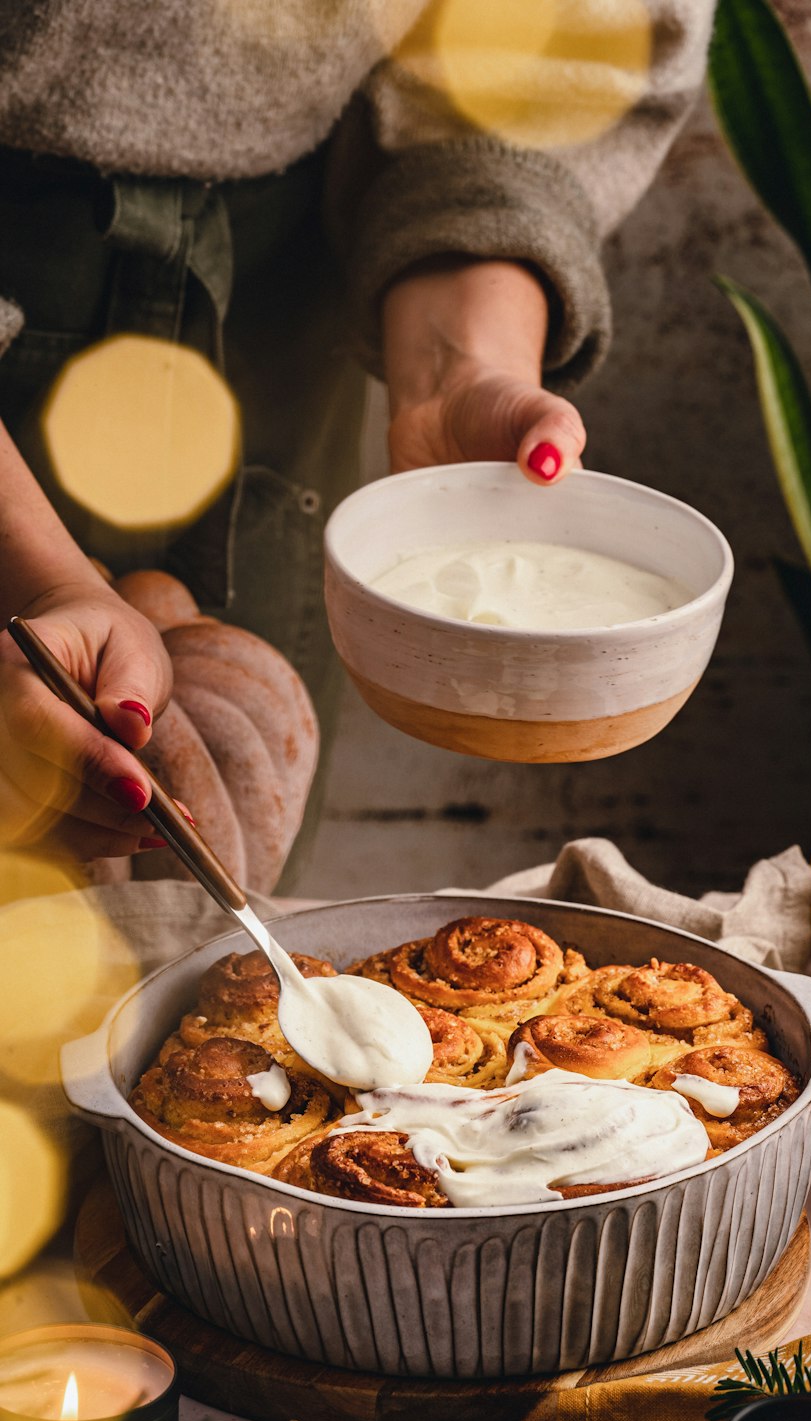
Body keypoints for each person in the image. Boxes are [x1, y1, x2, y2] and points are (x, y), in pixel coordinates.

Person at [0, 0, 715, 870]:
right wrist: (30, 562)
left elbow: (549, 46)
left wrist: (459, 368)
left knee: (232, 944)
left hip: (285, 292)